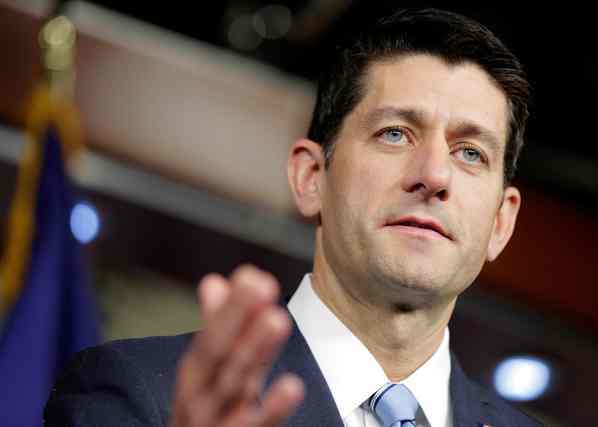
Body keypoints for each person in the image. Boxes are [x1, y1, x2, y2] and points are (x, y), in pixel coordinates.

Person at [45, 7, 541, 427]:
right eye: (395, 133)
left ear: (501, 223)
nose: (434, 174)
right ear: (310, 177)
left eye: (471, 153)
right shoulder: (137, 394)